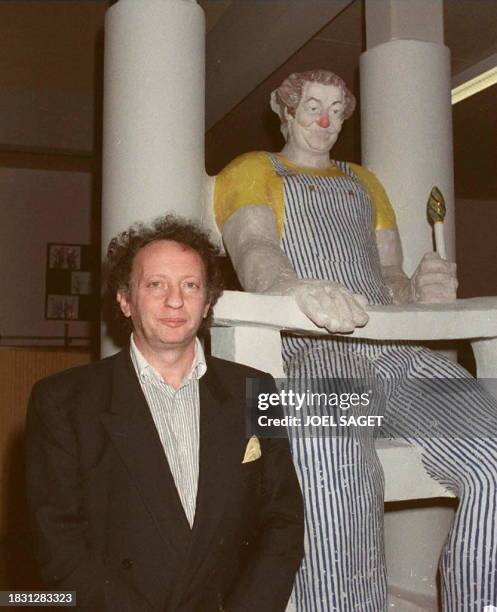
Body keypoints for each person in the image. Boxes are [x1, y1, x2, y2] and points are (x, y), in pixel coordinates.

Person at [214, 70, 497, 611]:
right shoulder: (249, 169)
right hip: (311, 352)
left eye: (337, 110)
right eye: (313, 106)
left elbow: (388, 278)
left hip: (399, 355)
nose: (325, 120)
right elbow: (255, 255)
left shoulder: (365, 182)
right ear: (286, 110)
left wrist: (420, 286)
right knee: (327, 455)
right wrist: (296, 289)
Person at [25, 215, 304, 612]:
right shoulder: (63, 402)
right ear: (124, 299)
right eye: (156, 284)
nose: (175, 301)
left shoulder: (255, 390)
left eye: (190, 285)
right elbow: (59, 549)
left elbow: (283, 522)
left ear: (207, 301)